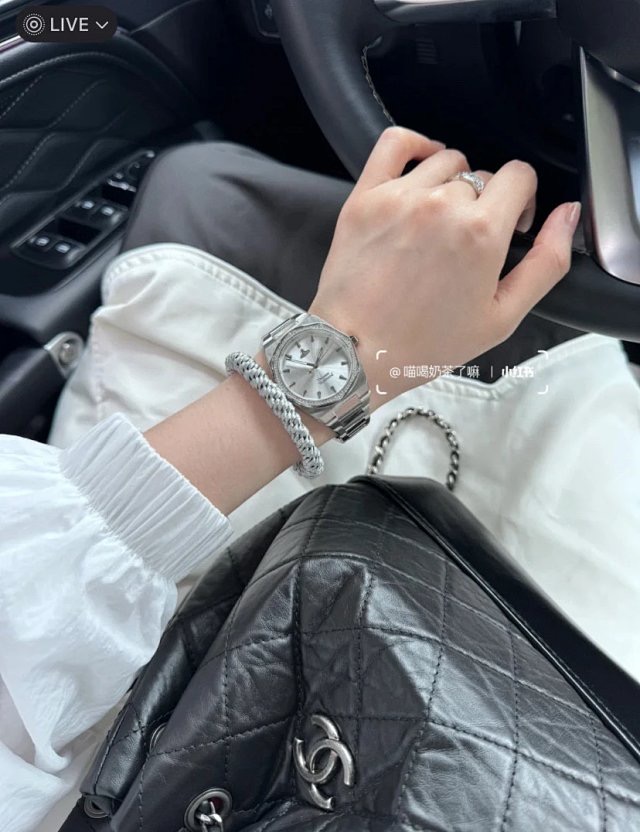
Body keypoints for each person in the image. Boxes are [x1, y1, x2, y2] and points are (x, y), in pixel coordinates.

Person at [0, 128, 584, 831]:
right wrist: (352, 344)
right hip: (128, 722)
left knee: (199, 186)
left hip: (103, 596)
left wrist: (340, 354)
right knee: (200, 185)